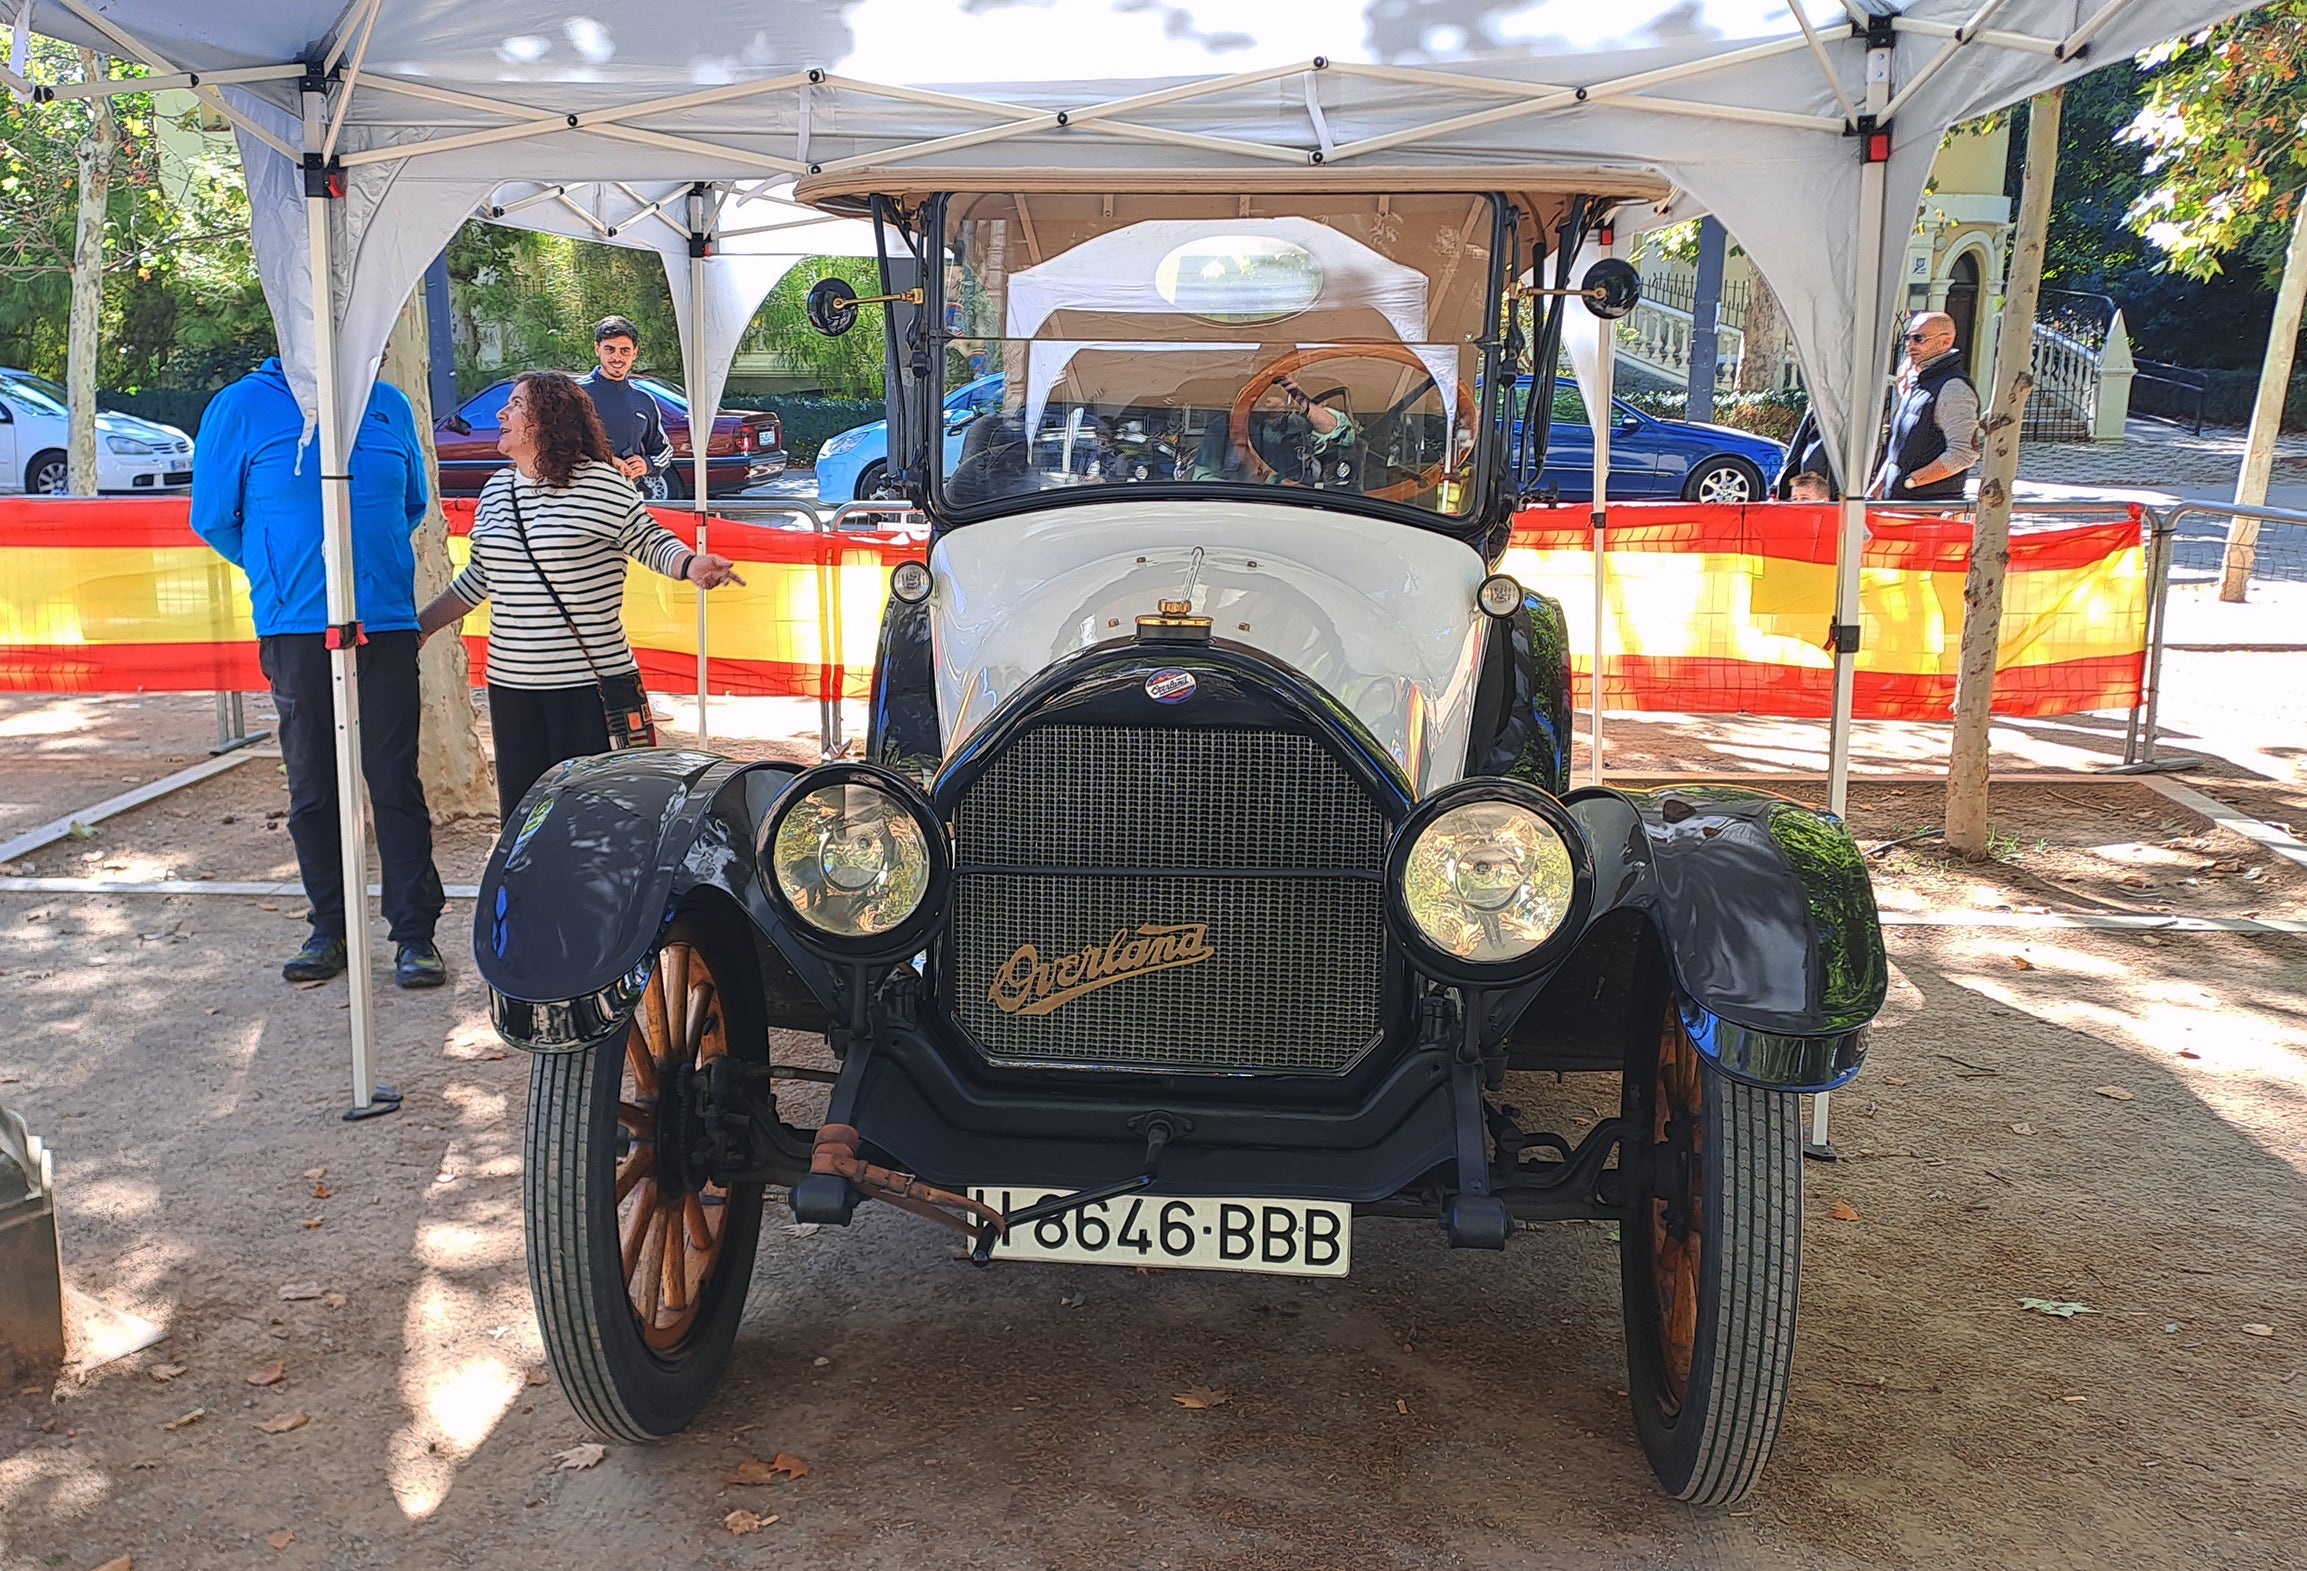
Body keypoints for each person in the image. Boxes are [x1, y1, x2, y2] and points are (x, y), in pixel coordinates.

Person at [191, 357, 448, 988]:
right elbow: (215, 519)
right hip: (296, 625)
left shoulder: (389, 402)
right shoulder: (242, 405)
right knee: (313, 783)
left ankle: (414, 936)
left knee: (393, 779)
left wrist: (371, 570)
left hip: (384, 621)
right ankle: (328, 928)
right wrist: (287, 572)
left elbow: (411, 504)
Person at [415, 373, 745, 821]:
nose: (500, 414)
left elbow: (648, 541)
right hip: (512, 690)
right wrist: (420, 628)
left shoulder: (602, 485)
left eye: (514, 404)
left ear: (547, 420)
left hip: (590, 690)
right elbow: (479, 578)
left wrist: (691, 565)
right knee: (525, 821)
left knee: (593, 822)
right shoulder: (495, 490)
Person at [1870, 311, 1979, 502]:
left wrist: (1912, 481)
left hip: (1928, 508)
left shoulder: (1953, 387)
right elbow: (1900, 447)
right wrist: (1879, 486)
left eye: (1919, 338)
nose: (1910, 345)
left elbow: (1963, 454)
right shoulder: (1918, 381)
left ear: (1946, 341)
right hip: (1898, 501)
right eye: (1908, 338)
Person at [1192, 371, 1360, 487]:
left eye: (1278, 383)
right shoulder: (1225, 426)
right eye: (1264, 382)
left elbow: (1342, 433)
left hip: (1304, 508)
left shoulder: (1302, 425)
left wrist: (1299, 398)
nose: (1271, 390)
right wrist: (1246, 488)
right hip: (1243, 507)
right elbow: (1202, 478)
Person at [577, 316, 674, 499]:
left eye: (624, 351)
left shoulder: (643, 400)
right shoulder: (574, 394)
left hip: (629, 498)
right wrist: (606, 462)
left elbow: (664, 450)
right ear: (597, 349)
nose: (617, 357)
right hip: (582, 499)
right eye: (610, 349)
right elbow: (556, 446)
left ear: (635, 353)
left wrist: (647, 464)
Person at [1773, 406, 1839, 501]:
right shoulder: (1819, 411)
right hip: (1820, 481)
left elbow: (1797, 449)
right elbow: (1797, 448)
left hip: (1825, 486)